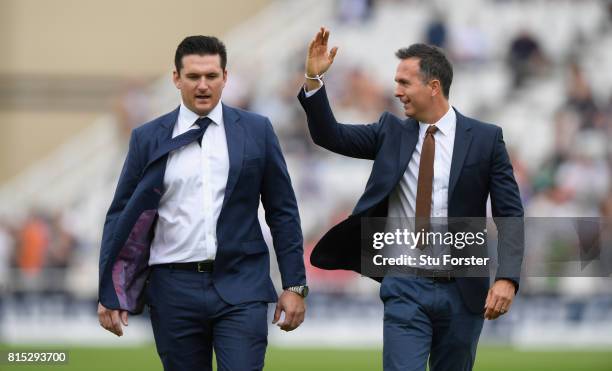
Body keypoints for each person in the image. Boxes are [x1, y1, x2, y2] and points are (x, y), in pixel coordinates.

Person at [298, 27, 524, 371]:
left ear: (433, 87)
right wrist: (314, 79)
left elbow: (510, 213)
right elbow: (330, 135)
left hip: (463, 290)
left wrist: (507, 277)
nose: (396, 91)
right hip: (404, 285)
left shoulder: (485, 139)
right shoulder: (390, 132)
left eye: (405, 83)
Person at [98, 35, 308, 371]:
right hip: (172, 290)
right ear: (176, 78)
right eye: (193, 76)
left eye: (211, 76)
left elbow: (283, 211)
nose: (203, 85)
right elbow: (122, 215)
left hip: (242, 286)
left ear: (225, 77)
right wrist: (111, 289)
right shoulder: (148, 138)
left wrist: (295, 284)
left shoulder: (257, 130)